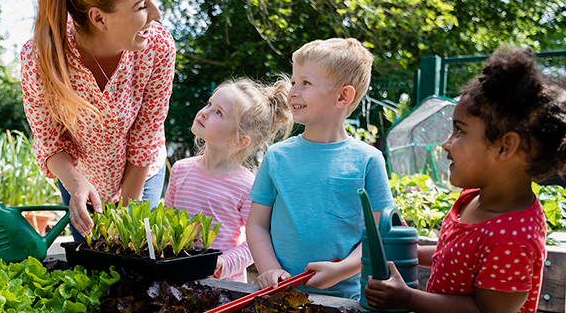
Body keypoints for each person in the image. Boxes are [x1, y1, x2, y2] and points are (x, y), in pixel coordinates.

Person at [364, 46, 566, 313]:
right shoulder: (472, 198)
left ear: (505, 147)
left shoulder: (512, 237)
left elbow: (486, 311)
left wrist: (409, 298)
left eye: (459, 131)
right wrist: (403, 248)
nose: (446, 144)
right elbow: (451, 255)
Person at [21, 0, 175, 241]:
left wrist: (126, 215)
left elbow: (146, 134)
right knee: (92, 263)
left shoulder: (158, 46)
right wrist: (77, 184)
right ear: (99, 18)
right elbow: (49, 141)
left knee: (134, 255)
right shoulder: (41, 59)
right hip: (79, 178)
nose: (156, 13)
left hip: (141, 173)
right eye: (142, 6)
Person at [246, 38, 395, 298]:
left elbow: (379, 233)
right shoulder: (276, 156)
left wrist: (344, 269)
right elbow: (257, 224)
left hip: (346, 299)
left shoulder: (369, 160)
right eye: (294, 81)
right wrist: (269, 269)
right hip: (280, 295)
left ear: (342, 96)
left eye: (306, 83)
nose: (293, 91)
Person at [164, 77, 293, 282]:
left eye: (218, 112)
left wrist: (222, 263)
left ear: (239, 140)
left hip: (222, 288)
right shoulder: (180, 170)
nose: (204, 112)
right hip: (176, 281)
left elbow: (255, 244)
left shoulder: (246, 185)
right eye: (209, 104)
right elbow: (165, 222)